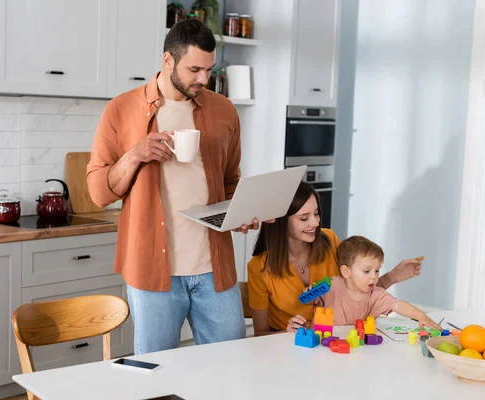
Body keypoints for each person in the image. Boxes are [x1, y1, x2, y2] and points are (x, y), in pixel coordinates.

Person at [87, 20, 262, 354]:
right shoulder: (122, 109)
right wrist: (135, 154)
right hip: (152, 271)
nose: (203, 80)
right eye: (194, 69)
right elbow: (98, 192)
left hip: (215, 269)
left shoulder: (223, 110)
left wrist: (238, 212)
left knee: (231, 367)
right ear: (168, 61)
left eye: (209, 70)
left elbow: (230, 180)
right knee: (157, 376)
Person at [247, 181, 424, 335]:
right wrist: (286, 331)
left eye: (316, 214)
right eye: (304, 218)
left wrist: (392, 276)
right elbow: (260, 333)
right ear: (280, 221)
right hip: (293, 347)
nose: (315, 223)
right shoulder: (259, 267)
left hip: (338, 340)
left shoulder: (330, 241)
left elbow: (357, 292)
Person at [315, 235, 440, 329]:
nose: (374, 276)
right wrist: (310, 293)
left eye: (377, 270)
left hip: (355, 345)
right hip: (324, 341)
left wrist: (421, 316)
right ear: (346, 272)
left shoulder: (376, 294)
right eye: (366, 271)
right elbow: (311, 300)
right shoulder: (331, 286)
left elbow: (397, 304)